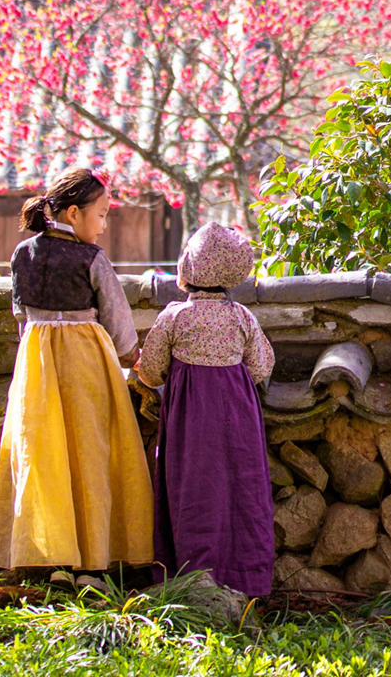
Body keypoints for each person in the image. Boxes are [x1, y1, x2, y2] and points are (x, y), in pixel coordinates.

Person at [0, 168, 155, 574]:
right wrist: (133, 357)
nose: (105, 225)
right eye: (102, 215)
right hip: (85, 361)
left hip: (36, 362)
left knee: (44, 454)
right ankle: (94, 557)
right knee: (91, 452)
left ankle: (47, 554)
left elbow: (20, 313)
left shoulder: (22, 255)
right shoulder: (91, 258)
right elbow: (117, 317)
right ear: (73, 214)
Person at [135, 223, 275, 596]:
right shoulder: (242, 317)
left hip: (189, 421)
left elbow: (149, 371)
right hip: (236, 416)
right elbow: (261, 366)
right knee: (240, 486)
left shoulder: (175, 317)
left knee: (192, 487)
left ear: (188, 269)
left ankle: (188, 577)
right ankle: (246, 579)